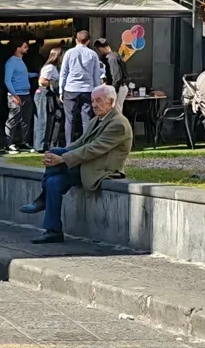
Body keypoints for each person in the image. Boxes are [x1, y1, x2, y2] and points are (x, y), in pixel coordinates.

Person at [19, 84, 133, 243]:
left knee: (57, 155)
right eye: (92, 101)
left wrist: (62, 158)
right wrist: (57, 154)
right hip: (86, 167)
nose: (94, 105)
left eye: (99, 100)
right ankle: (53, 231)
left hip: (101, 171)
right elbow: (80, 143)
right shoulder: (97, 120)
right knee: (53, 181)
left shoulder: (118, 124)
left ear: (111, 102)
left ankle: (42, 200)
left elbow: (93, 149)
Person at [59, 26, 103, 144]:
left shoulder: (69, 53)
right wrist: (96, 90)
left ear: (76, 40)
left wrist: (61, 90)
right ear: (88, 41)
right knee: (86, 119)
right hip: (87, 89)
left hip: (71, 89)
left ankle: (69, 145)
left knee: (70, 119)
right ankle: (86, 144)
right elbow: (96, 75)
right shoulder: (93, 54)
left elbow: (64, 72)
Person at [3, 39, 33, 153]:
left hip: (26, 94)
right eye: (25, 46)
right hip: (16, 95)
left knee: (25, 120)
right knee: (13, 120)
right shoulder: (11, 62)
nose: (27, 48)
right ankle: (8, 144)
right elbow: (7, 80)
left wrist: (37, 74)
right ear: (18, 48)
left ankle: (23, 142)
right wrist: (14, 95)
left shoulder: (21, 61)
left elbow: (23, 75)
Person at [33, 45, 62, 153]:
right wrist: (54, 83)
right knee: (42, 119)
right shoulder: (50, 67)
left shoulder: (53, 67)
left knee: (48, 119)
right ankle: (40, 145)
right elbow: (42, 81)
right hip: (44, 93)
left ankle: (45, 144)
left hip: (47, 94)